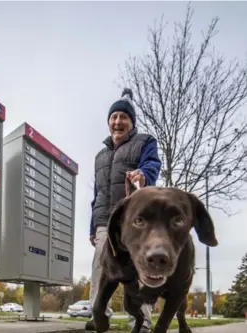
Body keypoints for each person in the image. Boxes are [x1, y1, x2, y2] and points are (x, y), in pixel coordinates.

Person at [86, 88, 162, 333]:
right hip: (103, 223)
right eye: (114, 117)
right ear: (109, 121)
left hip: (133, 222)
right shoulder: (100, 156)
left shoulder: (145, 142)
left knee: (139, 269)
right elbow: (96, 194)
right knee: (100, 269)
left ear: (132, 122)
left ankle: (141, 324)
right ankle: (99, 317)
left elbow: (152, 165)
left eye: (123, 117)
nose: (118, 121)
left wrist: (144, 174)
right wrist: (92, 226)